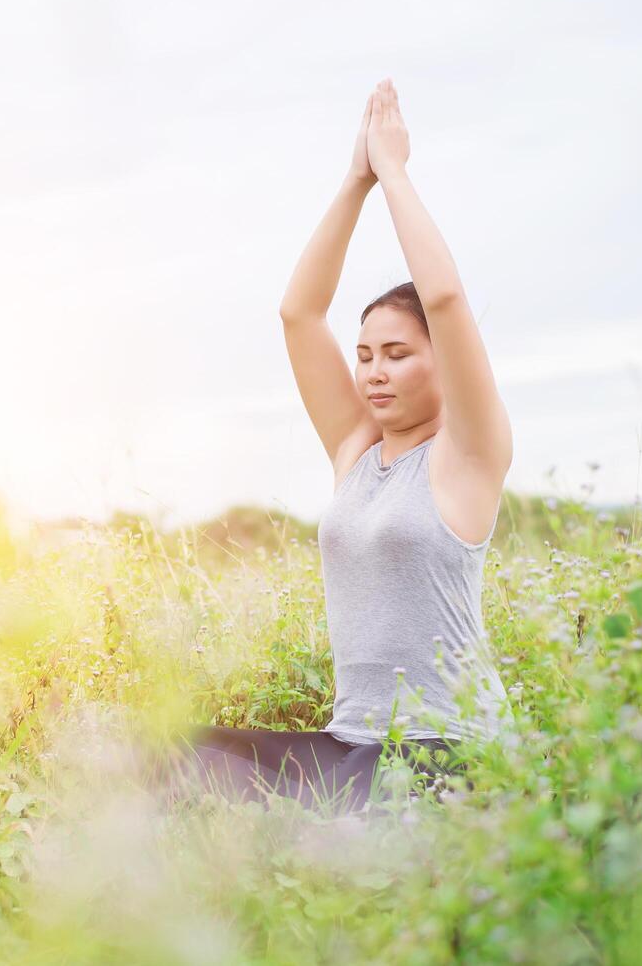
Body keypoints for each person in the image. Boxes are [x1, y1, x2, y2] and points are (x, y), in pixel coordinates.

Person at [149, 78, 514, 816]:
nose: (374, 371)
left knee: (319, 836)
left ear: (444, 358)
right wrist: (354, 179)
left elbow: (443, 301)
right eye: (365, 354)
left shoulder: (466, 458)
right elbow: (297, 312)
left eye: (398, 354)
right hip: (351, 746)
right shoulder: (354, 450)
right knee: (168, 759)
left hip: (446, 754)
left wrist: (395, 174)